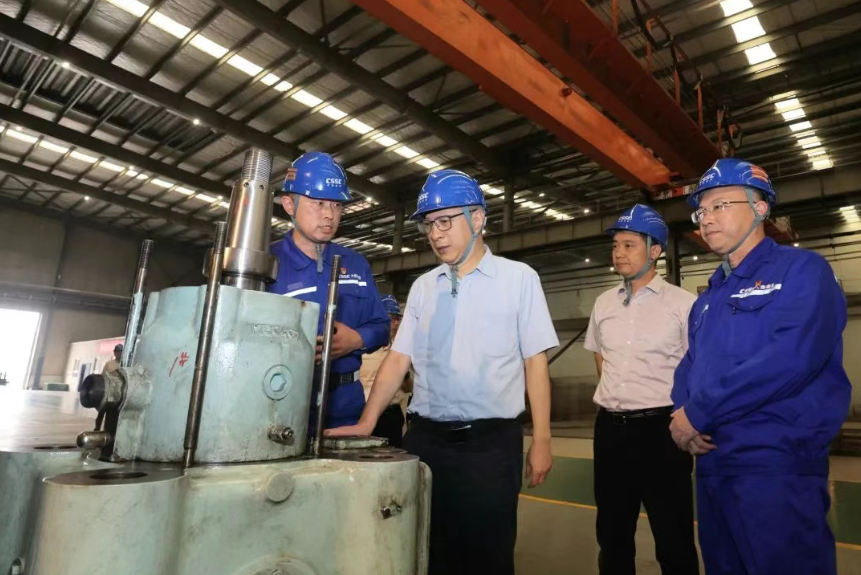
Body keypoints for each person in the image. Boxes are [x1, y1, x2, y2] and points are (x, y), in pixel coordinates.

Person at [328, 169, 558, 575]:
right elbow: (398, 359)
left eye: (445, 221)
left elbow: (535, 363)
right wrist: (366, 422)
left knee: (488, 558)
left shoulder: (519, 280)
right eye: (429, 224)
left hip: (490, 448)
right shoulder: (423, 287)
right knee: (428, 554)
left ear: (478, 219)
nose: (436, 234)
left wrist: (542, 439)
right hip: (427, 443)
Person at [670, 158, 851, 575]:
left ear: (760, 208)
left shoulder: (802, 271)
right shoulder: (708, 297)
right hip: (713, 462)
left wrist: (698, 412)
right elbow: (691, 364)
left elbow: (791, 357)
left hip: (775, 465)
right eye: (701, 211)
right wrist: (682, 415)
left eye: (719, 205)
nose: (706, 218)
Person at [585, 205, 699, 575]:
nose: (618, 253)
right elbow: (601, 356)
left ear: (655, 251)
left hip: (661, 433)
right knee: (612, 534)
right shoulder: (604, 303)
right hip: (610, 431)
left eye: (629, 245)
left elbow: (697, 366)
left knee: (673, 534)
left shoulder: (684, 304)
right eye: (615, 245)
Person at [268, 151, 390, 428]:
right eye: (318, 203)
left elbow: (382, 325)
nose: (329, 214)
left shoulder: (355, 264)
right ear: (289, 204)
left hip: (347, 407)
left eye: (337, 205)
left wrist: (356, 339)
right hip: (281, 403)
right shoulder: (266, 263)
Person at [359, 294, 411, 447]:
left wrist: (404, 374)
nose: (395, 324)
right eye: (391, 319)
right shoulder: (362, 349)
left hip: (392, 415)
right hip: (364, 413)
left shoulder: (400, 351)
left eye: (398, 319)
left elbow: (408, 388)